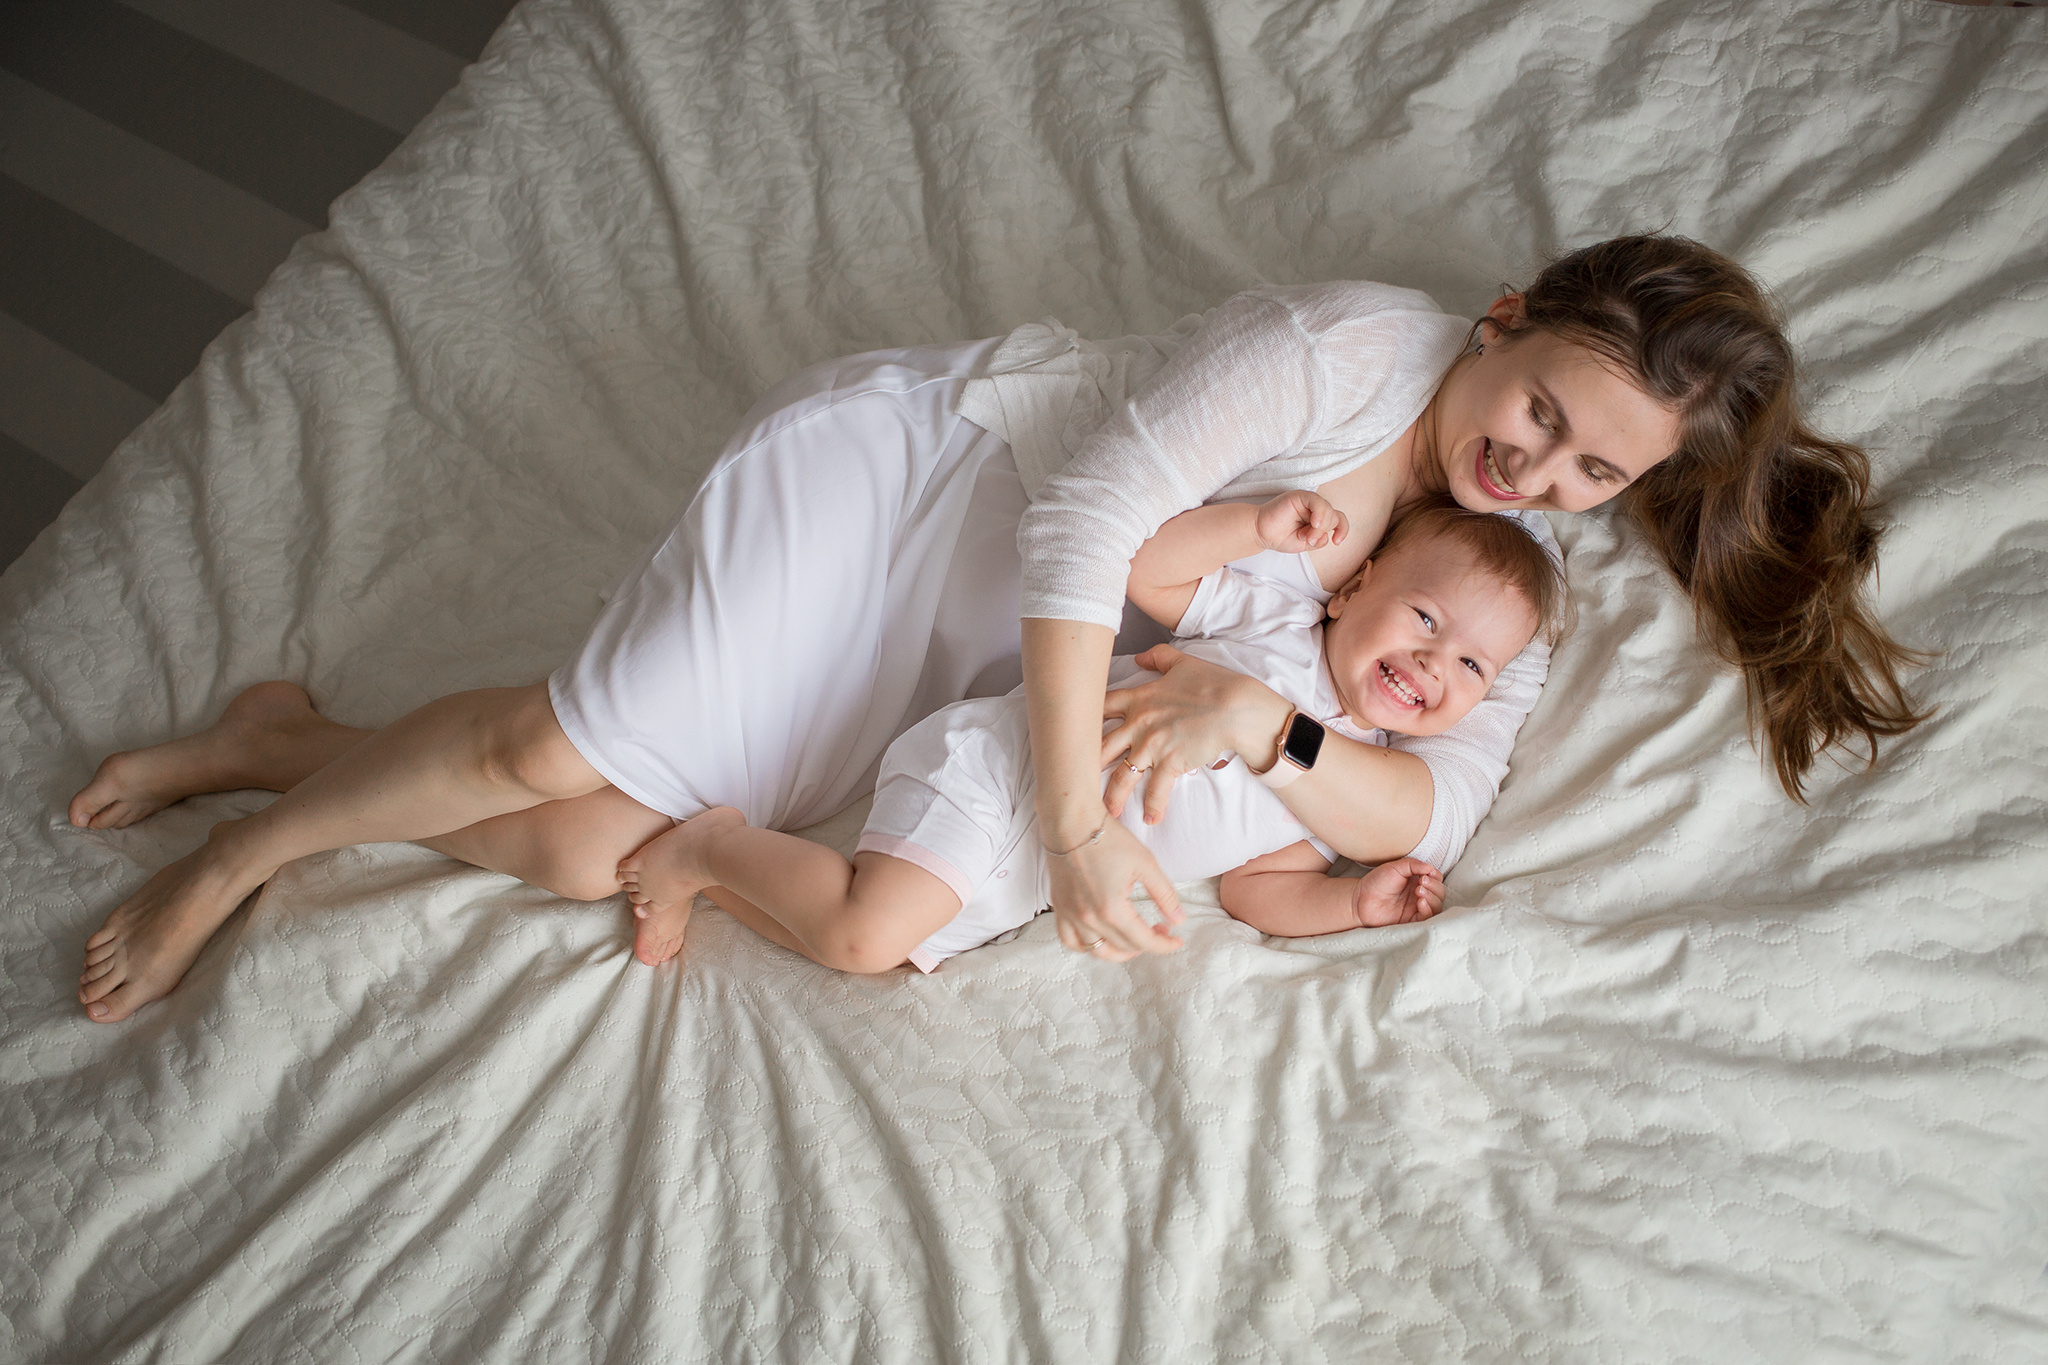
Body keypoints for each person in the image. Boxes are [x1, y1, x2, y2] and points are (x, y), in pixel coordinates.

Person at [69, 235, 1925, 1022]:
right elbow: (1078, 526)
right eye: (1537, 413)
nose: (1536, 472)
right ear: (1502, 315)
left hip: (976, 650)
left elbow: (1417, 805)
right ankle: (250, 849)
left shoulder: (1487, 565)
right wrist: (1075, 822)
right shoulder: (1353, 354)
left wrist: (1254, 728)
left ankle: (283, 737)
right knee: (553, 754)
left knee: (578, 850)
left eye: (1594, 474)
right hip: (914, 500)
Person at [611, 489, 1569, 972]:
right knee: (868, 932)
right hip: (1004, 774)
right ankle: (714, 845)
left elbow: (1255, 892)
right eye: (1427, 621)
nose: (1435, 665)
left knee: (886, 955)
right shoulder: (1277, 630)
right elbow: (1147, 570)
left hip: (1036, 878)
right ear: (1356, 587)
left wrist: (1352, 909)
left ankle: (717, 876)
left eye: (1473, 666)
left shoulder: (1345, 792)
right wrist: (1253, 526)